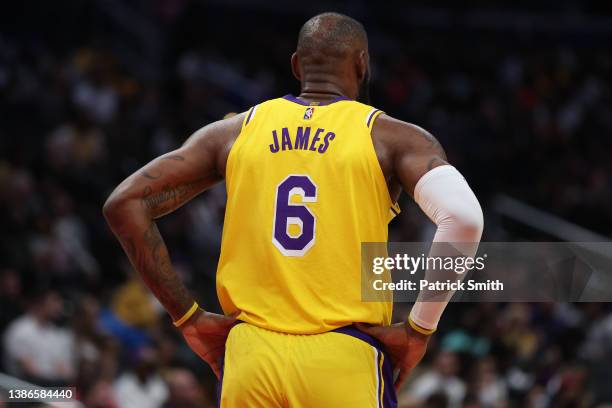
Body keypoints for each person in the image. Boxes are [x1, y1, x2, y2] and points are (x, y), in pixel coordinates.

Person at [103, 12, 483, 407]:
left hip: (251, 356)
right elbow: (464, 220)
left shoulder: (234, 132)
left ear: (297, 66)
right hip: (343, 356)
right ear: (362, 63)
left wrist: (188, 317)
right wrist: (419, 329)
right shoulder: (393, 137)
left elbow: (124, 203)